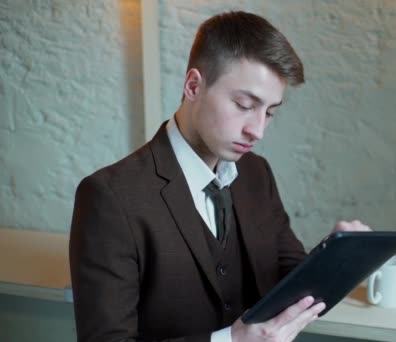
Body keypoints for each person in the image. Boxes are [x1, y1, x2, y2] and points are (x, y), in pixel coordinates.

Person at [69, 11, 370, 342]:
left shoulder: (257, 175)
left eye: (270, 112)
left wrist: (338, 259)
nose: (257, 130)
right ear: (193, 85)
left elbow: (290, 283)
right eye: (244, 104)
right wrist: (232, 340)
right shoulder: (109, 198)